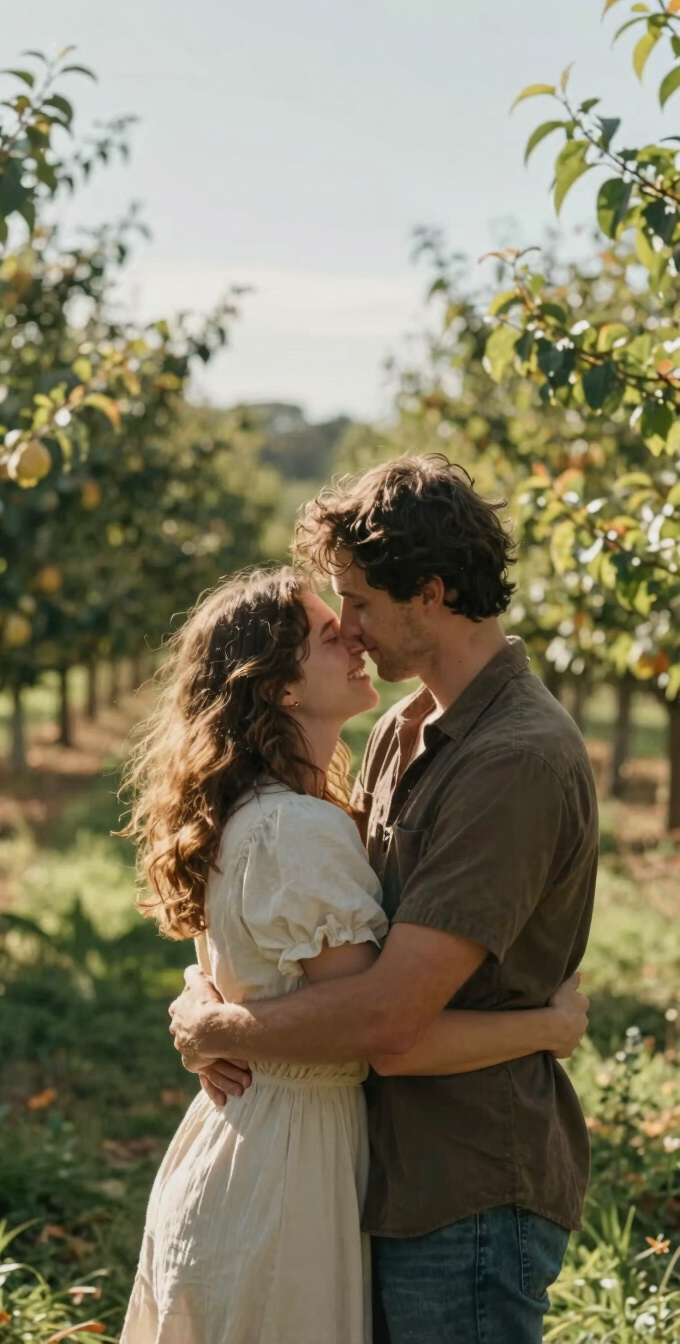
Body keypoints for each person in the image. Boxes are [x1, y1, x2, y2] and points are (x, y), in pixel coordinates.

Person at [169, 456, 599, 1344]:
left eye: (358, 602)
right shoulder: (402, 734)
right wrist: (203, 992)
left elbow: (388, 1021)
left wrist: (219, 1031)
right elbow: (301, 938)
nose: (352, 631)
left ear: (430, 593)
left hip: (466, 1186)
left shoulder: (514, 758)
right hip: (374, 1171)